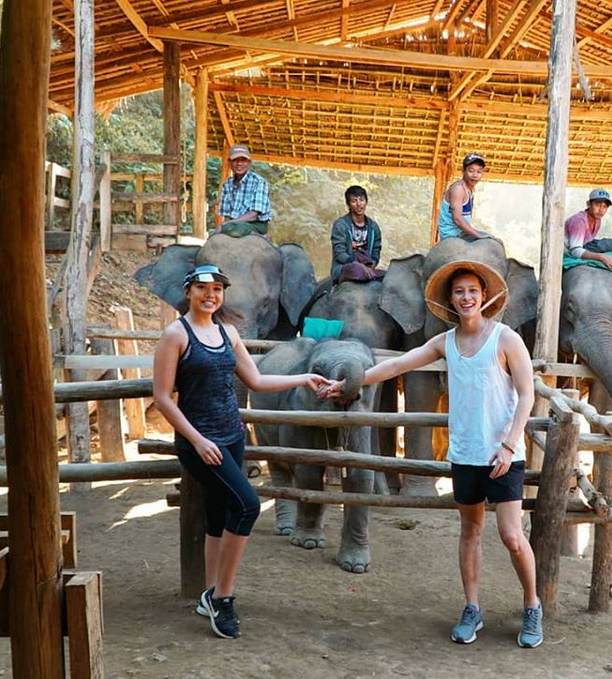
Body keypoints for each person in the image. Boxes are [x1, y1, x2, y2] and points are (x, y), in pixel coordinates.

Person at [320, 260, 543, 648]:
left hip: (503, 454)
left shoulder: (506, 339)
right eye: (459, 292)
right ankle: (472, 608)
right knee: (470, 532)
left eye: (473, 290)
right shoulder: (446, 342)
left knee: (510, 535)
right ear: (450, 300)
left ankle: (532, 606)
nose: (467, 297)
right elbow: (397, 364)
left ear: (485, 296)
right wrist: (349, 382)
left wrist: (509, 444)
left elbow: (527, 394)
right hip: (465, 454)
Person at [152, 264, 329, 640]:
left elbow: (258, 380)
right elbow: (163, 399)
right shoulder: (175, 335)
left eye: (217, 289)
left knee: (220, 515)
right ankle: (223, 597)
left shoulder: (227, 332)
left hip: (232, 437)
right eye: (203, 288)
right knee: (248, 506)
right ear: (188, 292)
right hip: (200, 443)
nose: (210, 295)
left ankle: (209, 595)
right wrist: (197, 440)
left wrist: (304, 377)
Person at [564, 188, 612, 293]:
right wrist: (601, 257)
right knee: (607, 252)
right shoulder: (579, 221)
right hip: (569, 252)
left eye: (604, 206)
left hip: (584, 245)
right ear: (588, 204)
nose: (601, 209)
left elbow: (589, 241)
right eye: (597, 205)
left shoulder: (597, 220)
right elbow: (575, 250)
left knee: (610, 244)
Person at [330, 185, 386, 283]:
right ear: (348, 204)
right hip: (346, 266)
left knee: (388, 276)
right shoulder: (341, 225)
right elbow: (339, 253)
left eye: (362, 200)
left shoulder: (373, 227)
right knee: (356, 271)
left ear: (366, 202)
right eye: (354, 201)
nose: (359, 204)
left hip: (367, 267)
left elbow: (376, 250)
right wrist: (356, 264)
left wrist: (373, 263)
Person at [215, 144, 272, 237]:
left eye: (243, 160)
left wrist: (227, 225)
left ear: (249, 162)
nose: (239, 163)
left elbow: (254, 214)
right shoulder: (227, 184)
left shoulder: (258, 182)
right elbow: (227, 215)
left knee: (234, 230)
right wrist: (224, 226)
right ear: (229, 162)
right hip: (234, 224)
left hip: (255, 224)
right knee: (217, 234)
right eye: (235, 160)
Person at [437, 153, 490, 241]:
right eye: (471, 171)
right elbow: (457, 219)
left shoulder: (470, 189)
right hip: (451, 236)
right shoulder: (458, 189)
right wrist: (478, 234)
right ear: (463, 171)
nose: (475, 175)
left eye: (479, 172)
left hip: (461, 233)